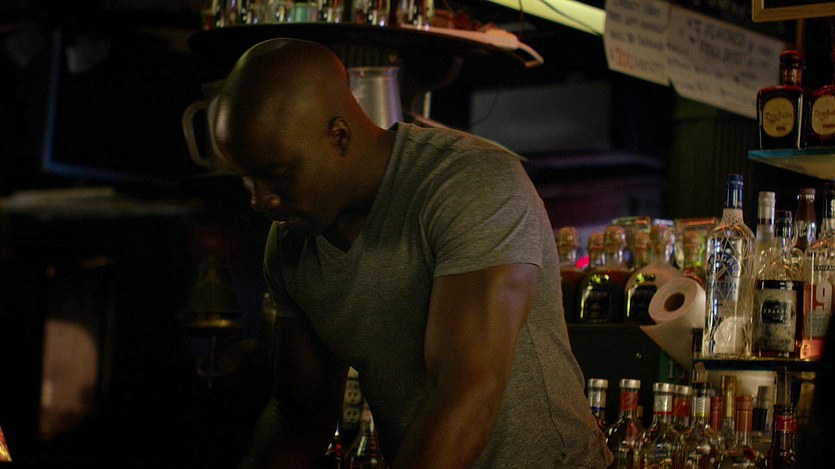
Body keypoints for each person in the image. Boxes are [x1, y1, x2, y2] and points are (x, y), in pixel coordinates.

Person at [212, 38, 612, 468]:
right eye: (246, 178)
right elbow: (300, 417)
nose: (260, 200)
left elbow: (469, 392)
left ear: (339, 136)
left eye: (276, 173)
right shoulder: (291, 241)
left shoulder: (470, 183)